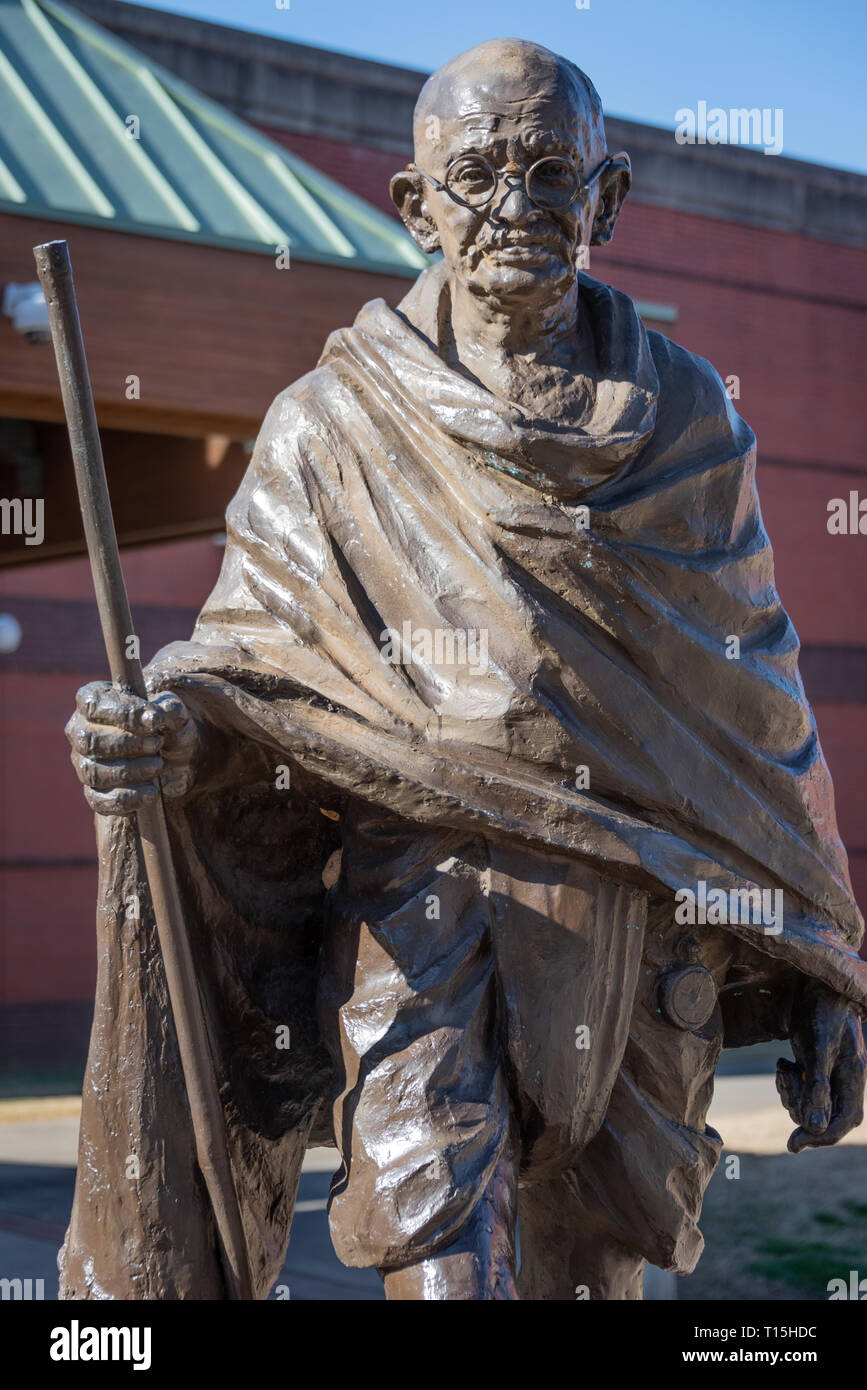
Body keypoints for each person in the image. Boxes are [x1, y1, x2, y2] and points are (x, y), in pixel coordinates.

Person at [61, 39, 866, 1301]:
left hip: (642, 922)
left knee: (595, 1281)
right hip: (419, 912)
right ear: (415, 202)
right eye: (477, 172)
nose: (514, 207)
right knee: (440, 1264)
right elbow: (252, 675)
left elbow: (753, 708)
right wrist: (170, 738)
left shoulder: (693, 422)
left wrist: (823, 964)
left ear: (609, 198)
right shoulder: (331, 424)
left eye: (553, 172)